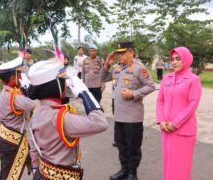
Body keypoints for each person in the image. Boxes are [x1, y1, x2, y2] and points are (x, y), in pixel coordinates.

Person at [27, 58, 108, 180]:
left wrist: (35, 169)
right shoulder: (61, 117)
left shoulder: (37, 112)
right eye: (64, 81)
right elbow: (100, 123)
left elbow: (33, 147)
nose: (67, 84)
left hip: (43, 173)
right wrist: (85, 94)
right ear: (57, 86)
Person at [102, 42, 155, 180]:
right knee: (121, 145)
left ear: (131, 52)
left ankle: (132, 173)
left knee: (133, 147)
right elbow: (102, 78)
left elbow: (150, 85)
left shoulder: (139, 68)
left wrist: (134, 94)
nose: (120, 56)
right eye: (118, 53)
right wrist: (107, 65)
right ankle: (124, 170)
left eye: (123, 53)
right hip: (119, 116)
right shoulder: (117, 68)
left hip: (133, 116)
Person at [156, 47, 202, 180]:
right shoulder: (166, 78)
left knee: (180, 168)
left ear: (186, 60)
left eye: (178, 59)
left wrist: (175, 123)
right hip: (166, 129)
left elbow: (192, 105)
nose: (174, 62)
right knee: (168, 166)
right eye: (172, 59)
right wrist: (161, 120)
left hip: (183, 131)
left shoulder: (193, 80)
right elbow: (160, 100)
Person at [0, 56, 37, 180]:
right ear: (12, 78)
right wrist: (27, 87)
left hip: (5, 137)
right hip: (12, 141)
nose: (21, 78)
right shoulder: (14, 96)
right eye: (19, 76)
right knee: (10, 173)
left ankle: (30, 161)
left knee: (6, 168)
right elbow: (32, 104)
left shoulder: (5, 92)